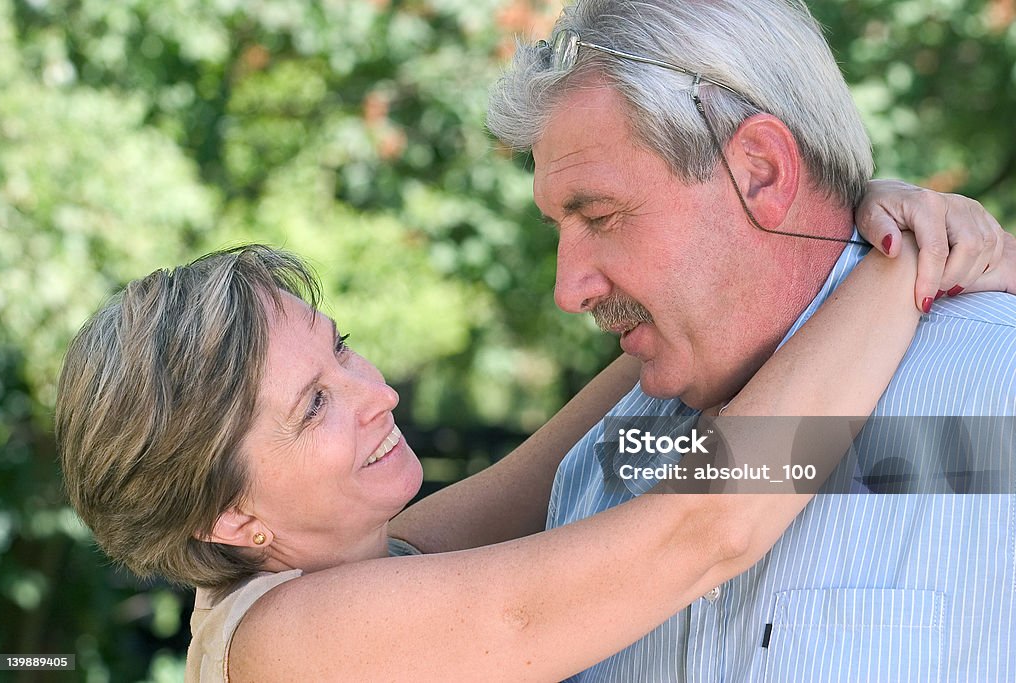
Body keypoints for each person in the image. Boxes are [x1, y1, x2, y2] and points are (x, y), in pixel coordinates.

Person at [55, 228, 1011, 681]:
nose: (378, 391)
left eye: (340, 347)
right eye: (314, 405)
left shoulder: (373, 556)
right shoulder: (298, 640)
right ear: (230, 515)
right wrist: (902, 268)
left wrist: (827, 249)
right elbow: (707, 525)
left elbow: (610, 427)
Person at [485, 0, 1016, 680]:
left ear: (760, 170)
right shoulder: (601, 470)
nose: (570, 289)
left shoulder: (995, 392)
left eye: (602, 215)